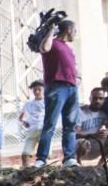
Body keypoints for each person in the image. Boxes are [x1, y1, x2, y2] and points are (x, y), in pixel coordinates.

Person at [34, 19, 80, 168]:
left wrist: (78, 78)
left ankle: (69, 158)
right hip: (56, 87)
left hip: (72, 88)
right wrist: (51, 30)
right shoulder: (52, 42)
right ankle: (41, 159)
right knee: (50, 124)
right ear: (68, 30)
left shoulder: (68, 48)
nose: (75, 34)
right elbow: (44, 48)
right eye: (74, 30)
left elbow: (72, 66)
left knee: (70, 125)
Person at [75, 87, 108, 163]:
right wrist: (93, 135)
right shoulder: (81, 111)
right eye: (95, 98)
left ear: (104, 100)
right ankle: (78, 165)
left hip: (97, 145)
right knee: (82, 142)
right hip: (82, 146)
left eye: (101, 98)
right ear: (90, 99)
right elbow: (76, 134)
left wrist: (107, 132)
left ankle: (101, 164)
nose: (97, 101)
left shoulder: (105, 112)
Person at [19, 81, 46, 168]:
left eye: (39, 89)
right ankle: (26, 173)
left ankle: (45, 173)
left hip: (43, 130)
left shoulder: (47, 102)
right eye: (35, 90)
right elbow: (21, 117)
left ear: (44, 89)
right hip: (32, 130)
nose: (37, 92)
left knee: (44, 155)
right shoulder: (28, 104)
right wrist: (24, 122)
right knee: (25, 154)